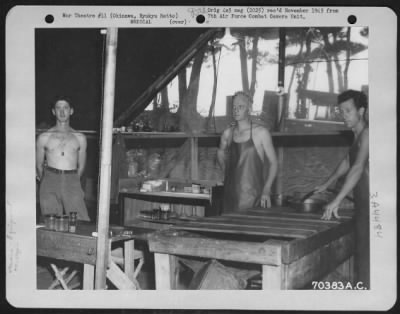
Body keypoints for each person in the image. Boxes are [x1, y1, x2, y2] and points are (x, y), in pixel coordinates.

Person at [314, 90, 369, 288]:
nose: (343, 115)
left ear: (361, 111)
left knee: (368, 261)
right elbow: (348, 161)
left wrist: (337, 199)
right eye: (341, 111)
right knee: (362, 257)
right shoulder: (357, 136)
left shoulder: (368, 134)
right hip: (362, 207)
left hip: (373, 208)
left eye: (348, 111)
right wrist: (327, 183)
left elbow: (357, 167)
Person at [217, 91, 278, 212]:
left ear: (249, 109)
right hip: (230, 196)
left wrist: (266, 189)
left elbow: (274, 163)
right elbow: (220, 152)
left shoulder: (261, 133)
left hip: (253, 198)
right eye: (234, 107)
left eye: (241, 107)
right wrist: (226, 170)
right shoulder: (227, 133)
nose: (236, 110)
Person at [36, 97, 90, 221]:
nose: (62, 112)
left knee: (80, 219)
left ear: (71, 111)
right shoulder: (44, 137)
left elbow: (81, 166)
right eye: (58, 108)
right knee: (51, 222)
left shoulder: (80, 138)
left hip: (72, 180)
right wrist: (47, 181)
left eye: (65, 108)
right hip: (50, 179)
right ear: (53, 112)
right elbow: (38, 166)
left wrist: (72, 180)